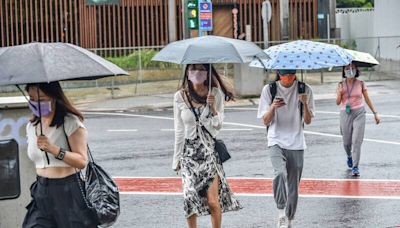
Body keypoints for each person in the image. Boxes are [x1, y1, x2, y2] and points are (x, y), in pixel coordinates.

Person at [172, 64, 242, 228]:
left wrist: (213, 108)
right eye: (193, 69)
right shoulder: (179, 96)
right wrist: (176, 159)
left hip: (208, 152)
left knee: (212, 202)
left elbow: (217, 127)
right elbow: (179, 130)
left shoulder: (215, 93)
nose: (197, 72)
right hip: (188, 154)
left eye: (201, 69)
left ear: (207, 72)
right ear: (187, 72)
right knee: (189, 198)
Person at [22, 82, 98, 228]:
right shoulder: (31, 126)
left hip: (68, 190)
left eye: (42, 98)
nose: (36, 102)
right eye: (31, 98)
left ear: (54, 97)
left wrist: (54, 149)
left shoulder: (70, 123)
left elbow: (82, 161)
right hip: (41, 190)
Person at [257, 69, 315, 228]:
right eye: (284, 74)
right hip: (276, 140)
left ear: (295, 74)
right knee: (280, 173)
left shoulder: (305, 89)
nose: (287, 78)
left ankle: (290, 219)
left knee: (293, 186)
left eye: (290, 74)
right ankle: (281, 212)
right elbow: (265, 121)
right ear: (279, 73)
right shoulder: (269, 90)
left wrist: (304, 103)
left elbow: (308, 121)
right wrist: (273, 107)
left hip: (297, 142)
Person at [336, 63, 381, 176]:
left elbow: (367, 99)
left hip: (359, 113)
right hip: (345, 114)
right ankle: (349, 156)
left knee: (356, 141)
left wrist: (375, 113)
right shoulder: (341, 84)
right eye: (347, 68)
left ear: (356, 70)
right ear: (343, 70)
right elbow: (337, 102)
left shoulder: (361, 83)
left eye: (352, 68)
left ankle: (355, 167)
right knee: (346, 142)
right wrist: (340, 93)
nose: (350, 70)